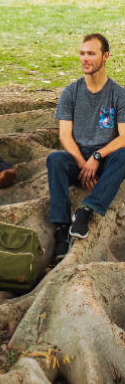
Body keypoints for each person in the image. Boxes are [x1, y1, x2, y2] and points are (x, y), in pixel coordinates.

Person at [48, 34, 125, 262]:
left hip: (107, 157)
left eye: (91, 53)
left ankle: (87, 210)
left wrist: (97, 157)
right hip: (78, 157)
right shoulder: (70, 92)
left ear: (106, 56)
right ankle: (61, 230)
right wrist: (84, 164)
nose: (85, 58)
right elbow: (64, 134)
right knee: (55, 160)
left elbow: (123, 137)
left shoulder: (119, 95)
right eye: (82, 53)